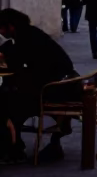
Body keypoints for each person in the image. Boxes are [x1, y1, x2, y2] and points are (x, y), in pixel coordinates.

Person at [0, 9, 79, 163]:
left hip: (56, 89)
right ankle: (14, 145)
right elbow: (15, 51)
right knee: (8, 95)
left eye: (2, 28)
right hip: (62, 84)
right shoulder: (29, 33)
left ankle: (13, 148)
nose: (1, 32)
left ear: (11, 26)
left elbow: (18, 63)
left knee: (9, 103)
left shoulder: (27, 38)